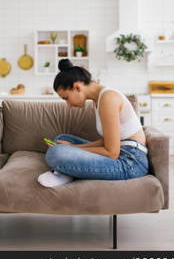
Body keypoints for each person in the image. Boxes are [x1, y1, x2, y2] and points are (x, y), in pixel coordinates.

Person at [38, 59, 149, 187]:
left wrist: (71, 148)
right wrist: (69, 146)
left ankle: (64, 172)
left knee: (55, 153)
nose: (68, 105)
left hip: (130, 162)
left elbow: (112, 152)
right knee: (62, 139)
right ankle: (67, 171)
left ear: (77, 87)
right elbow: (109, 141)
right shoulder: (99, 99)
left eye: (66, 98)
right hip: (122, 151)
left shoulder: (108, 99)